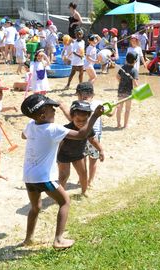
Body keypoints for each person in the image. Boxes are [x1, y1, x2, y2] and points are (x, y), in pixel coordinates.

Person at [20, 94, 104, 248]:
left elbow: (23, 136)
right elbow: (81, 135)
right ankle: (59, 239)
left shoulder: (31, 125)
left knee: (35, 207)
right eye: (51, 109)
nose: (55, 111)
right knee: (65, 201)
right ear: (42, 114)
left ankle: (28, 239)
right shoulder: (53, 129)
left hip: (29, 176)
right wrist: (94, 116)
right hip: (44, 177)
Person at [58, 100, 104, 196]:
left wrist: (101, 150)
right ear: (72, 117)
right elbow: (59, 144)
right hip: (64, 155)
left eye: (84, 120)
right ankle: (60, 196)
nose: (81, 123)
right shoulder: (66, 129)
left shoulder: (87, 129)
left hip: (79, 154)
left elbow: (93, 140)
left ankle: (84, 192)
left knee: (83, 174)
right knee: (63, 176)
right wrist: (55, 157)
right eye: (78, 120)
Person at [76, 82, 104, 186]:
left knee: (83, 160)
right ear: (92, 94)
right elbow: (110, 113)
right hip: (90, 137)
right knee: (92, 160)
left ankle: (84, 179)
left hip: (82, 137)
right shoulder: (98, 104)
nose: (83, 97)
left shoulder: (76, 104)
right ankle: (88, 181)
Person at [116, 52, 138, 129]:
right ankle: (125, 125)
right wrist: (138, 88)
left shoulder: (122, 68)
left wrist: (120, 82)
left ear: (126, 59)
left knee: (119, 108)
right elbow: (134, 83)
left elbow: (117, 76)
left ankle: (118, 124)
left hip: (121, 90)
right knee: (127, 109)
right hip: (129, 92)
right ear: (135, 61)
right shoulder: (134, 70)